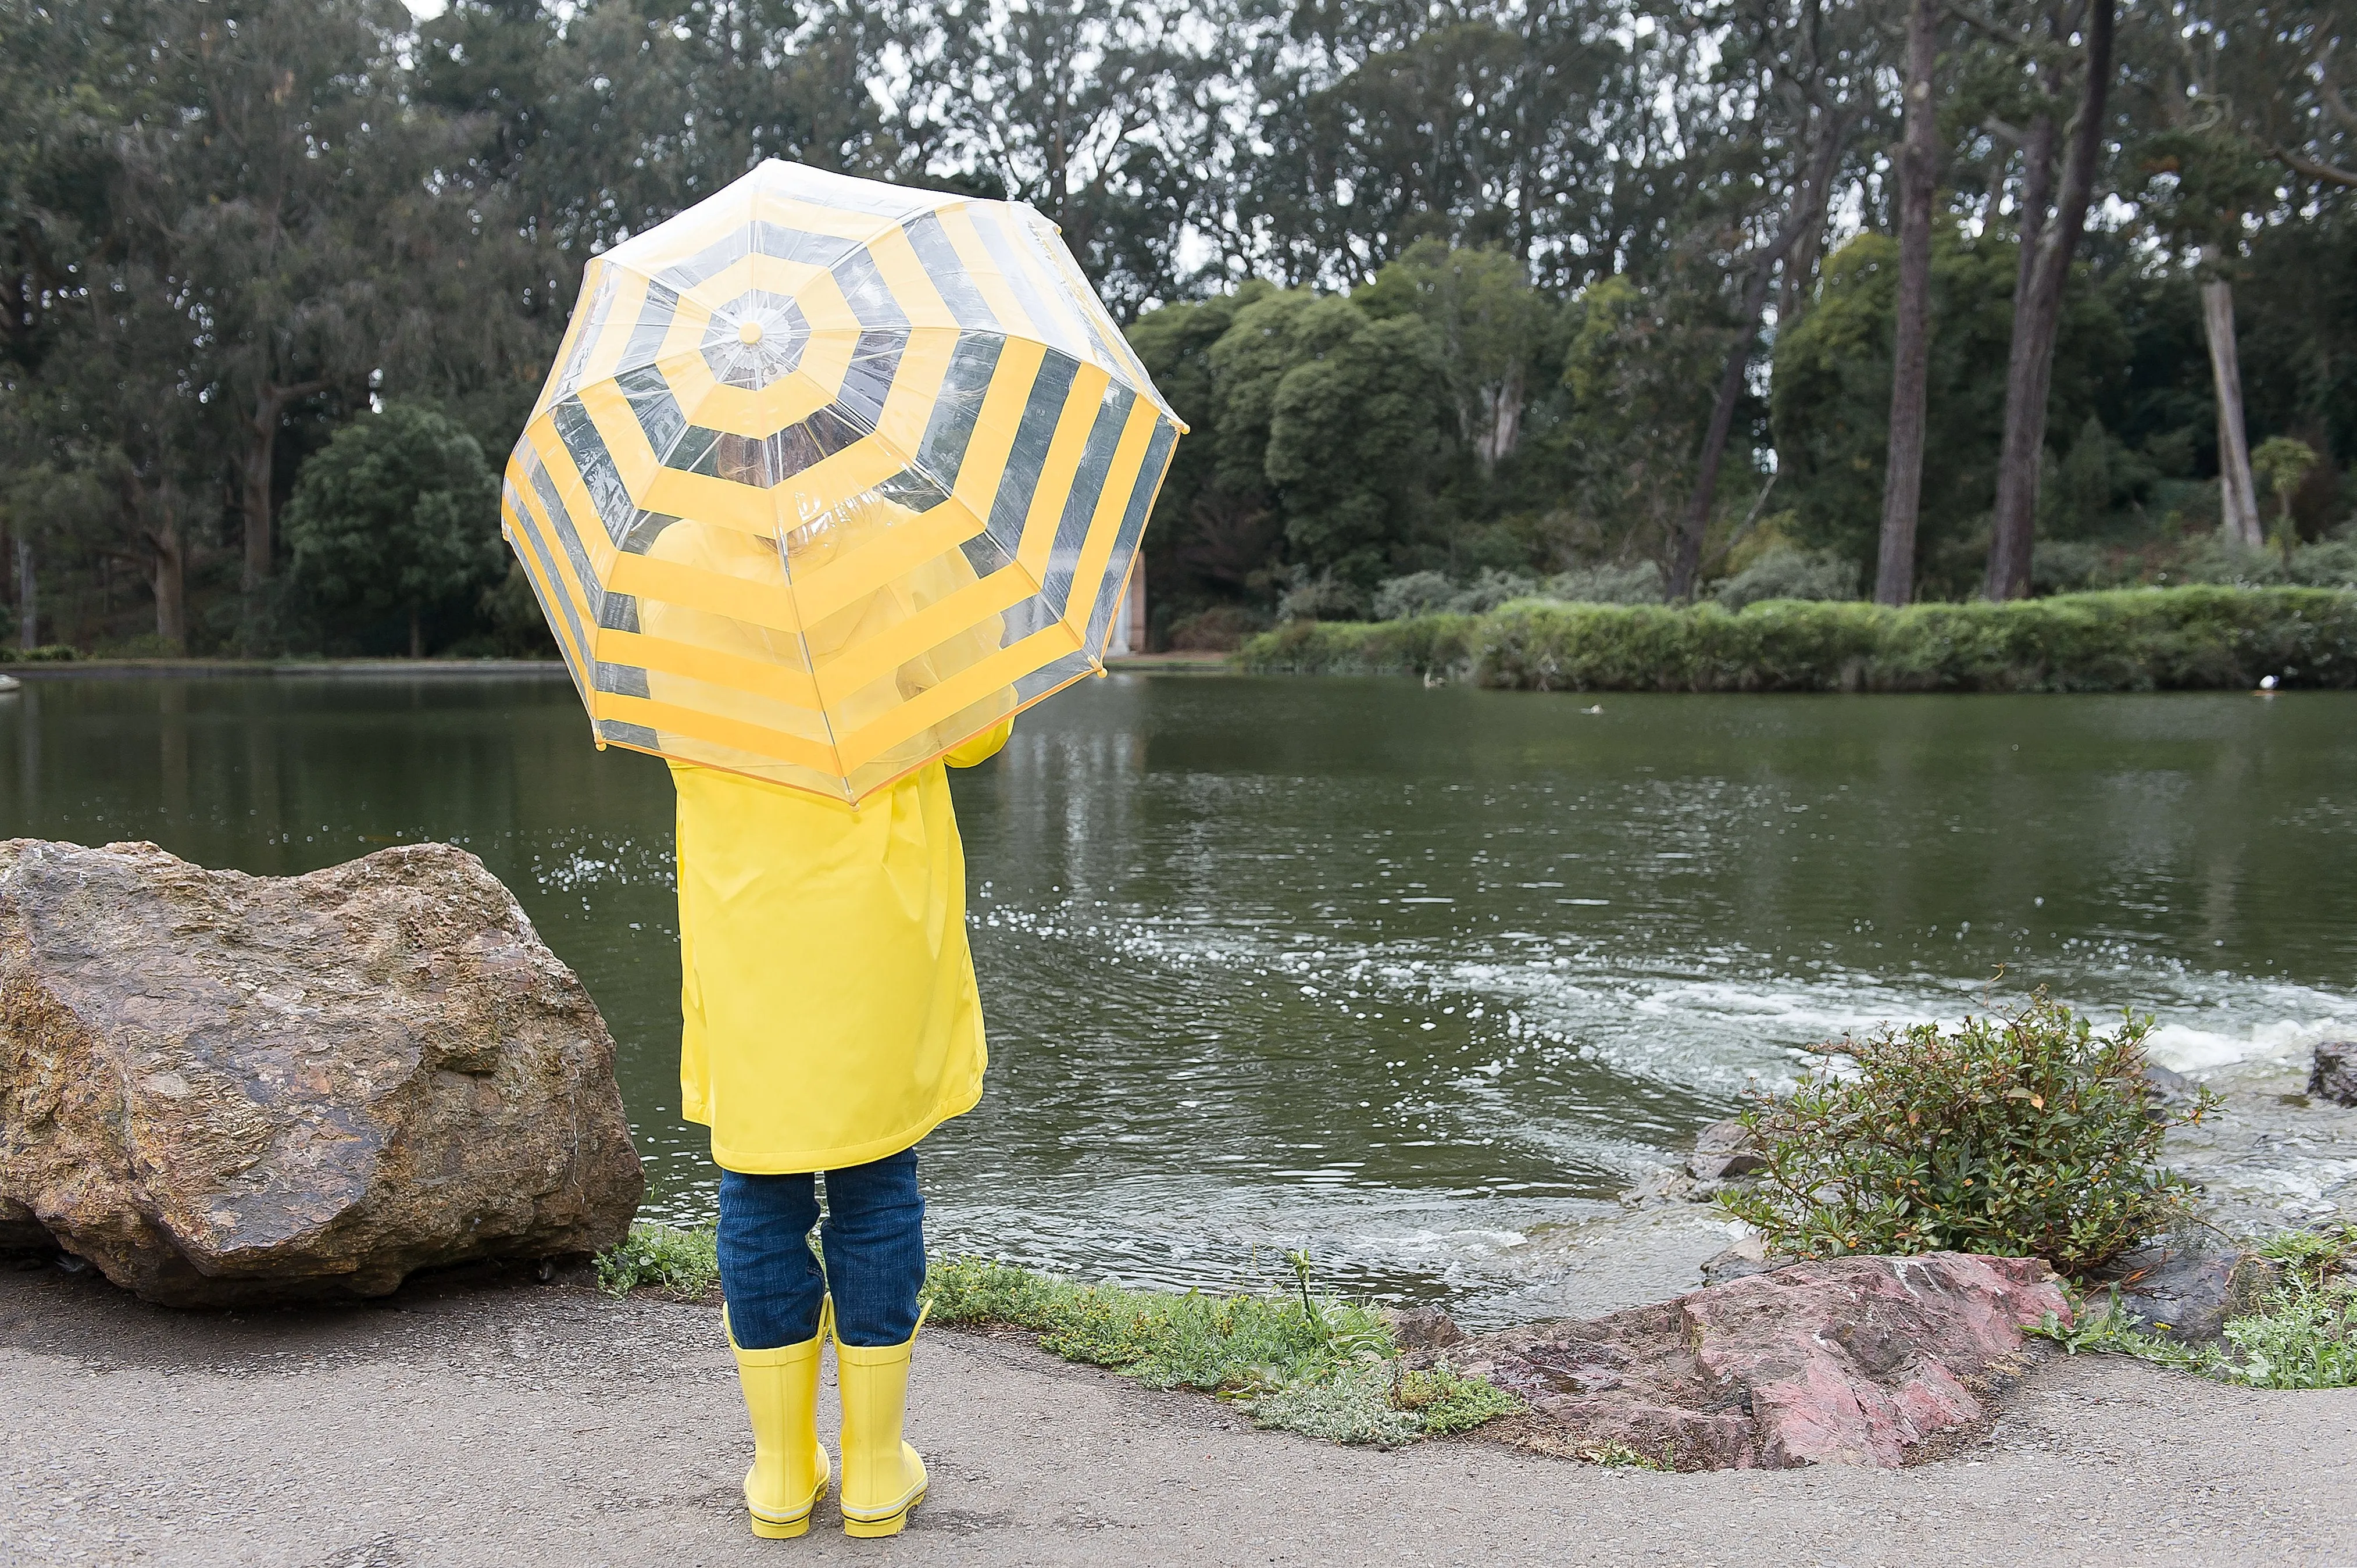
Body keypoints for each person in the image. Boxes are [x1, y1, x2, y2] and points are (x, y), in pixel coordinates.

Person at [653, 494, 1017, 1540]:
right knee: (874, 1175)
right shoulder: (906, 543)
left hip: (745, 908)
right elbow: (976, 733)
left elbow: (673, 731)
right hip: (874, 906)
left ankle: (777, 1472)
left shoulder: (676, 559)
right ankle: (870, 1468)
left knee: (757, 1181)